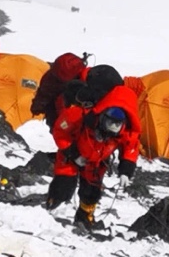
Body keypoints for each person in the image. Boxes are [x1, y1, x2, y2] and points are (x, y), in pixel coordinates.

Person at [46, 64, 141, 231]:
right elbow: (60, 131)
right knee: (63, 186)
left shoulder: (126, 127)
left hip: (97, 162)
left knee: (91, 191)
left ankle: (85, 218)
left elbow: (131, 145)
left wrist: (126, 169)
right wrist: (73, 153)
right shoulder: (79, 114)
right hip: (72, 154)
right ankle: (48, 211)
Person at [30, 51, 88, 134]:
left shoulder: (50, 79)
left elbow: (43, 95)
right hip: (70, 118)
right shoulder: (86, 77)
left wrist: (36, 107)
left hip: (62, 117)